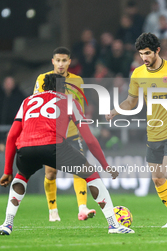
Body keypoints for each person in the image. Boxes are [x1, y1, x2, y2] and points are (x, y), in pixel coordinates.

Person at [0, 73, 135, 235]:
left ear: (43, 87)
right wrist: (105, 166)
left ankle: (7, 224)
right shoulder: (69, 101)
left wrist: (7, 171)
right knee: (91, 174)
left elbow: (11, 136)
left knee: (21, 177)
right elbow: (89, 139)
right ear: (63, 87)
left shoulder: (27, 101)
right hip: (54, 146)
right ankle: (113, 225)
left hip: (26, 148)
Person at [106, 32, 167, 228]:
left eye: (148, 53)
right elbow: (131, 101)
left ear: (157, 51)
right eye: (141, 54)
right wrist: (115, 111)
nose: (144, 58)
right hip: (153, 132)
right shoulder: (137, 73)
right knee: (158, 178)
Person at [34, 47, 95, 222]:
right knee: (51, 173)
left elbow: (79, 108)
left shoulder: (78, 81)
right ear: (53, 61)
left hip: (73, 134)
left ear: (69, 62)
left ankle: (82, 208)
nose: (61, 64)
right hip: (51, 134)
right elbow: (37, 105)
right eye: (58, 60)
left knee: (80, 169)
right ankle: (53, 210)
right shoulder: (42, 79)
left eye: (64, 61)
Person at [0, 76, 25, 151]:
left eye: (10, 83)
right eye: (7, 83)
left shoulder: (19, 95)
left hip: (13, 123)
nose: (9, 85)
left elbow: (26, 103)